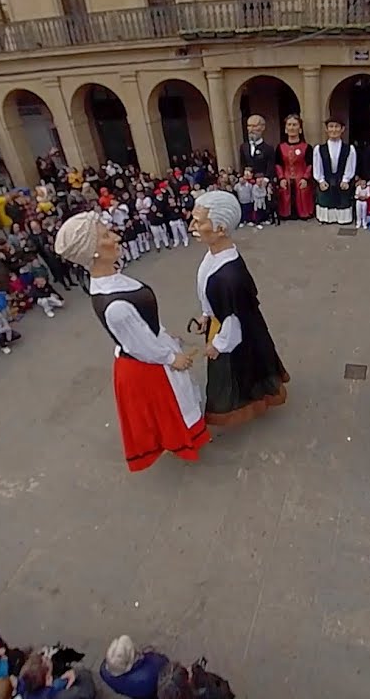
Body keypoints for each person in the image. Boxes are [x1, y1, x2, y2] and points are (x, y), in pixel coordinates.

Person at [54, 210, 208, 472]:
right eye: (106, 236)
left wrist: (163, 334)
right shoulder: (114, 305)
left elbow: (141, 326)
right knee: (173, 403)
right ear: (93, 252)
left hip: (148, 350)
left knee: (175, 402)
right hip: (148, 363)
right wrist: (172, 357)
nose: (115, 237)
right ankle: (183, 441)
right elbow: (139, 345)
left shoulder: (110, 282)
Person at [188, 191, 289, 426]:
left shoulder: (229, 276)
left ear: (221, 229)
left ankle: (245, 404)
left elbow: (234, 319)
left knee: (235, 371)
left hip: (232, 335)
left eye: (199, 221)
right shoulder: (214, 257)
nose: (192, 226)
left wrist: (218, 344)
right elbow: (210, 292)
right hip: (221, 323)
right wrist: (206, 314)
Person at [313, 117, 357, 225]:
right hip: (326, 181)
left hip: (341, 182)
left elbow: (350, 166)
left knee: (343, 196)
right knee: (325, 196)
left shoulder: (349, 149)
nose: (334, 130)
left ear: (342, 129)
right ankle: (327, 217)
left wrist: (346, 180)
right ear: (326, 129)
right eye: (331, 127)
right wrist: (321, 180)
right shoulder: (319, 149)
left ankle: (342, 218)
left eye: (337, 127)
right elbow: (317, 166)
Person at [273, 114, 314, 222]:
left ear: (300, 129)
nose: (292, 128)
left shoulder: (307, 147)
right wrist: (281, 178)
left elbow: (310, 164)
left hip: (301, 178)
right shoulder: (280, 147)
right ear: (286, 129)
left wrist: (305, 178)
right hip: (286, 178)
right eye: (289, 125)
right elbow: (278, 164)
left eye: (294, 125)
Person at [236, 114, 274, 180]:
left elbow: (270, 169)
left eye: (254, 126)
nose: (251, 129)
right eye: (249, 126)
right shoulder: (244, 147)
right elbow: (242, 165)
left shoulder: (269, 149)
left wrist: (265, 179)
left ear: (262, 127)